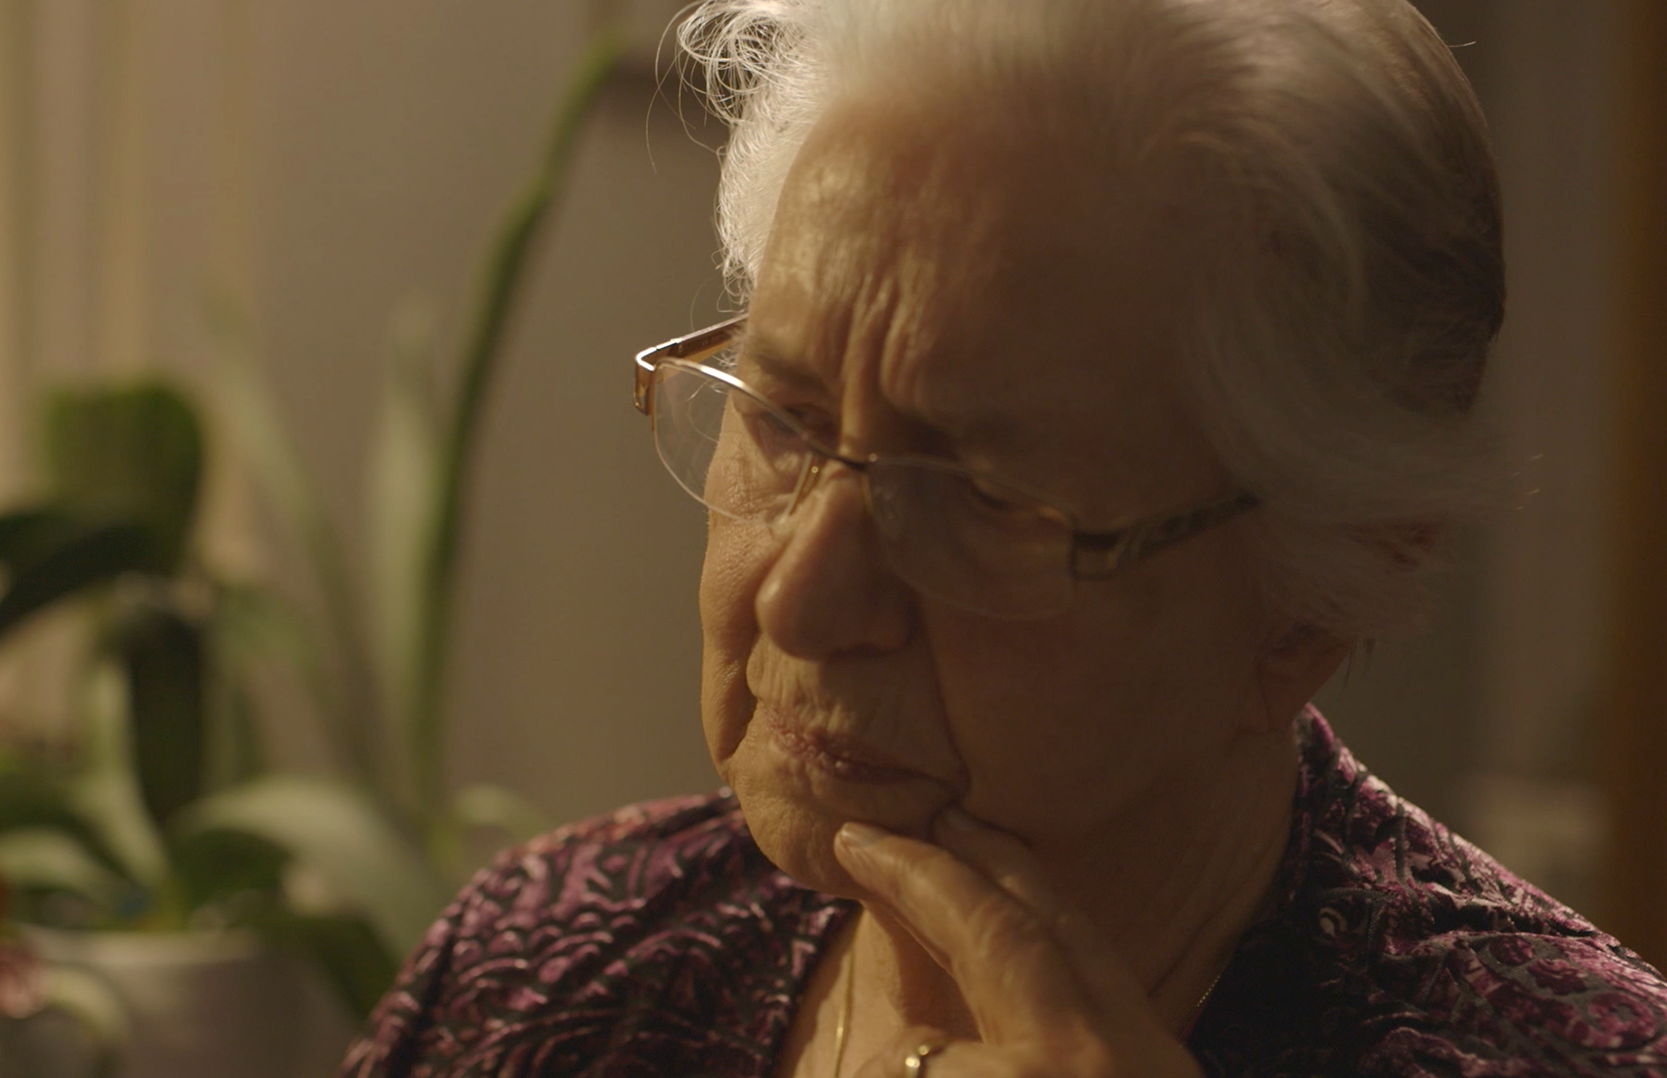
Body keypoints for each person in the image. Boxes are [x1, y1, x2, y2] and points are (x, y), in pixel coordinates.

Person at [342, 0, 1667, 1074]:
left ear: (1316, 595)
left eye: (975, 494)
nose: (801, 599)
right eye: (786, 423)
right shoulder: (546, 967)